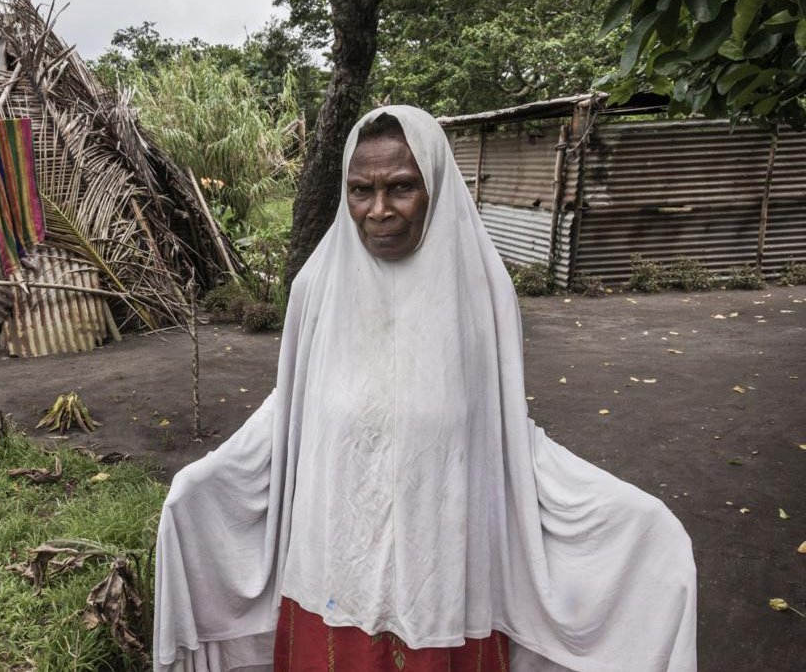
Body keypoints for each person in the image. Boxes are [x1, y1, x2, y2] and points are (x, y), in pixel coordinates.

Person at [153, 106, 697, 672]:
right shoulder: (317, 287)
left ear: (435, 183)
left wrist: (633, 521)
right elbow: (291, 410)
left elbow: (501, 424)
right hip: (335, 564)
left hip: (442, 565)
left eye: (402, 187)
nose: (379, 210)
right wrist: (203, 484)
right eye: (361, 190)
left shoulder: (479, 288)